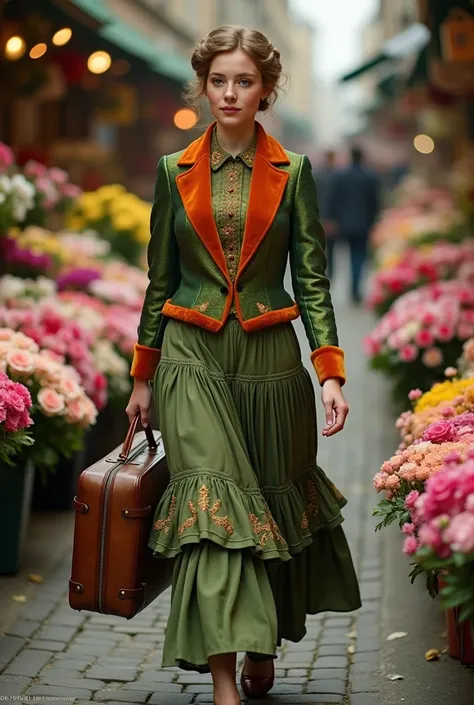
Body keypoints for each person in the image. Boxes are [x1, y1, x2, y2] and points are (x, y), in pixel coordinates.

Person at [126, 25, 360, 705]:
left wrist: (332, 372)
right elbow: (158, 279)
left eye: (244, 81)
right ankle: (224, 680)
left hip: (268, 360)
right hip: (191, 354)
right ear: (203, 86)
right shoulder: (175, 171)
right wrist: (142, 375)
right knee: (212, 505)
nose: (230, 93)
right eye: (219, 80)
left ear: (266, 89)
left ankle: (261, 645)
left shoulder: (295, 173)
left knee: (270, 501)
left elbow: (312, 280)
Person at [328, 146, 380, 304]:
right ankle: (355, 289)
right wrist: (374, 222)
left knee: (350, 255)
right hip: (364, 224)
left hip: (345, 223)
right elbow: (375, 203)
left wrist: (333, 219)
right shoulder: (370, 177)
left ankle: (353, 288)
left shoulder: (341, 176)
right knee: (359, 256)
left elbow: (334, 200)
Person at [312, 150, 338, 279]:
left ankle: (323, 269)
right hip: (329, 217)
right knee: (329, 246)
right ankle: (329, 271)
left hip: (321, 216)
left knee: (322, 246)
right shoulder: (337, 176)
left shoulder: (317, 175)